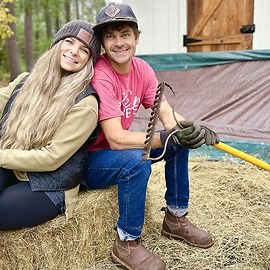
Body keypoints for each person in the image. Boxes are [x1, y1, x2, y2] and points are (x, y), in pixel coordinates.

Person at [0, 20, 101, 270]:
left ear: (89, 61)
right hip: (10, 168)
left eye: (84, 50)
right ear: (57, 45)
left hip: (48, 183)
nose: (74, 51)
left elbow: (51, 158)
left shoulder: (85, 103)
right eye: (69, 42)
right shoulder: (26, 81)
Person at [86, 2, 219, 269]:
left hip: (115, 152)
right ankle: (126, 241)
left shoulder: (143, 70)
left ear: (137, 38)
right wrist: (168, 136)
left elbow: (166, 113)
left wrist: (192, 129)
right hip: (90, 161)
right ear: (102, 43)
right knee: (138, 160)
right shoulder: (101, 74)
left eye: (124, 34)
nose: (118, 42)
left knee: (177, 144)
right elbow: (116, 138)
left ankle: (175, 218)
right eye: (110, 36)